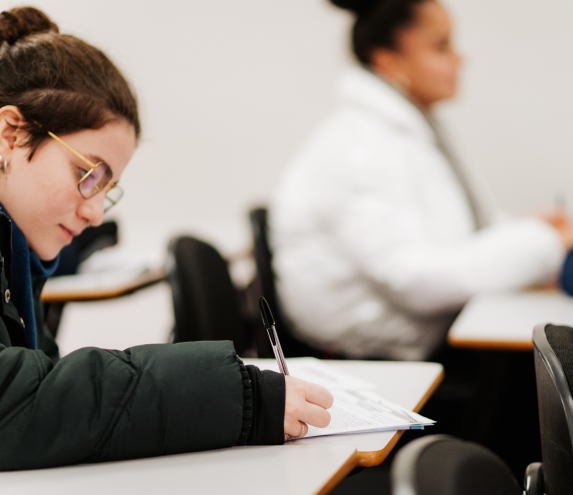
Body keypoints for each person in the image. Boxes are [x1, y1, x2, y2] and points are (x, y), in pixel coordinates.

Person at [0, 7, 333, 471]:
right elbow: (13, 405)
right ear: (10, 135)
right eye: (87, 174)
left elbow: (46, 393)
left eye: (106, 190)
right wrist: (240, 398)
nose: (94, 213)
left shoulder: (17, 257)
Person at [270, 0, 573, 361]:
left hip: (422, 340)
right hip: (375, 361)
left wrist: (526, 230)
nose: (460, 59)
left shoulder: (402, 134)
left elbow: (450, 240)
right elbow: (412, 279)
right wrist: (546, 242)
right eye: (441, 46)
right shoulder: (364, 149)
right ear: (389, 61)